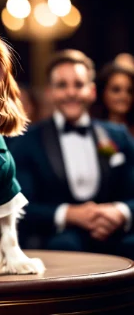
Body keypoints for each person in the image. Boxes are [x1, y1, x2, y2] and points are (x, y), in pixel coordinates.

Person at [10, 49, 134, 258]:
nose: (71, 93)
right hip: (58, 240)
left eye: (78, 84)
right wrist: (69, 214)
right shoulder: (27, 140)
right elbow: (19, 207)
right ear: (50, 92)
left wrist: (120, 212)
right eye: (62, 85)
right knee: (64, 247)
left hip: (116, 236)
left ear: (92, 91)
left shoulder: (117, 135)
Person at [92, 62, 134, 136]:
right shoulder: (93, 129)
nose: (124, 96)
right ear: (103, 92)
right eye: (116, 90)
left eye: (129, 91)